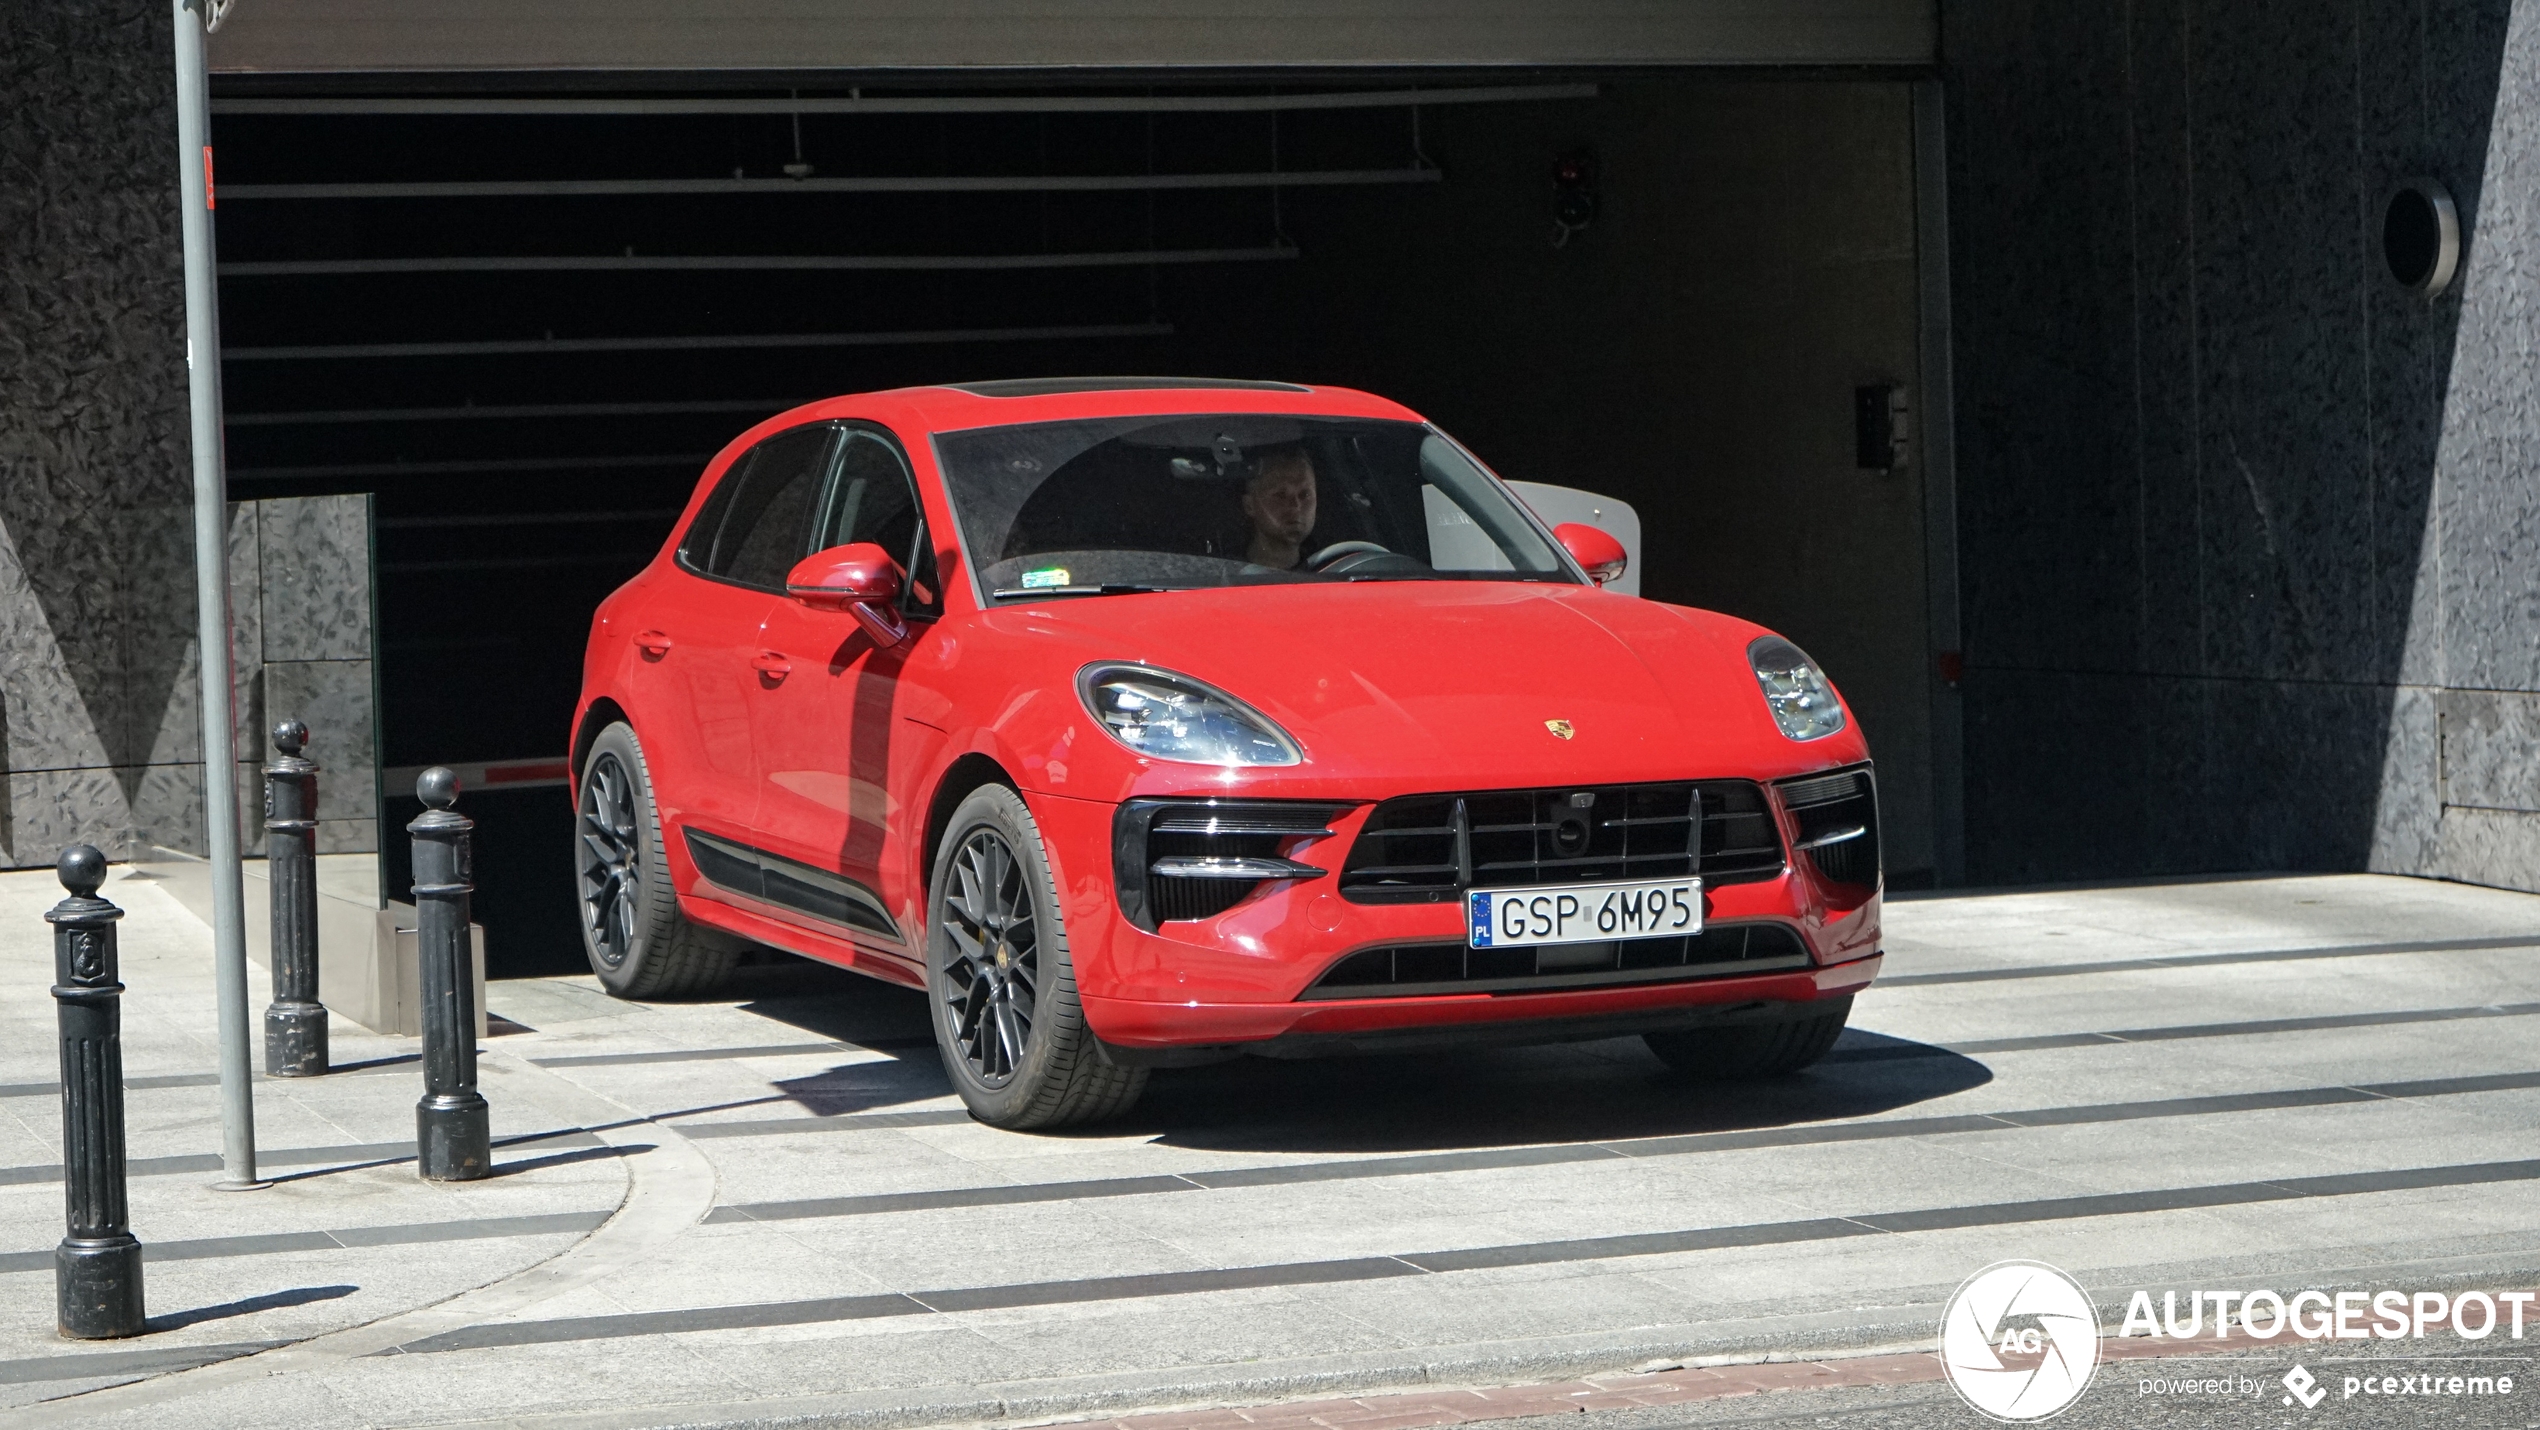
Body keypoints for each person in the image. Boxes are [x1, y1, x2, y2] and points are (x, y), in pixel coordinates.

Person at [1240, 447, 1318, 569]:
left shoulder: (1336, 570)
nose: (1296, 506)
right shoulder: (1220, 579)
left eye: (1305, 494)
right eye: (1281, 495)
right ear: (1249, 506)